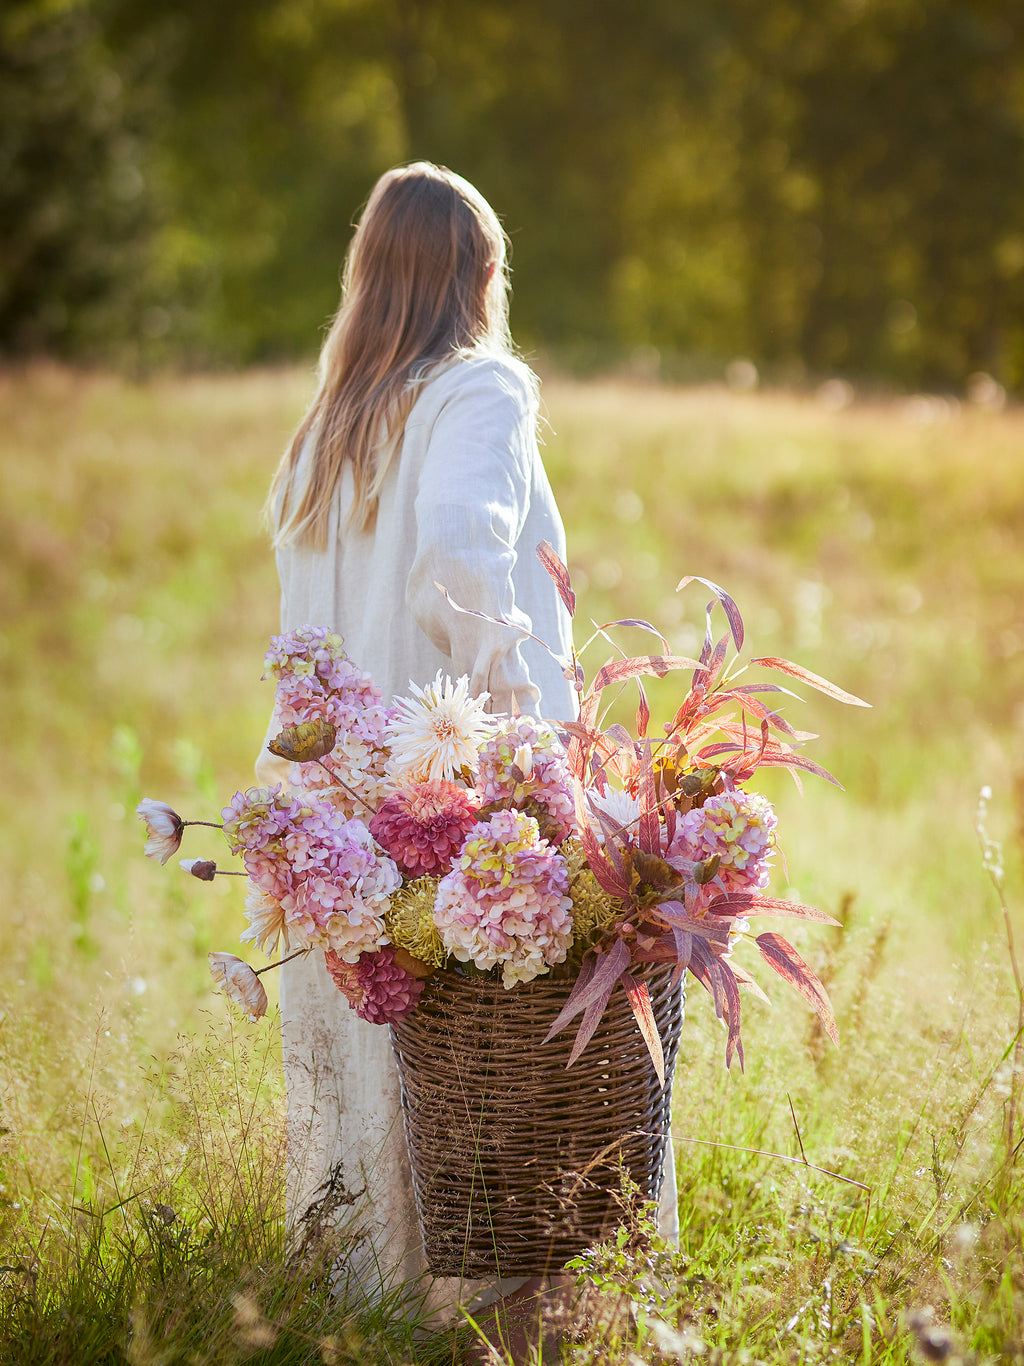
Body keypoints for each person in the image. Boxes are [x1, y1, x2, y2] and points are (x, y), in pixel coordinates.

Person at [254, 162, 677, 1323]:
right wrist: (529, 727)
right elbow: (454, 546)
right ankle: (504, 1336)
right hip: (450, 790)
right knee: (499, 1099)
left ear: (369, 276)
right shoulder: (480, 387)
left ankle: (367, 1327)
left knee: (376, 1102)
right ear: (480, 274)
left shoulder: (324, 429)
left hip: (331, 808)